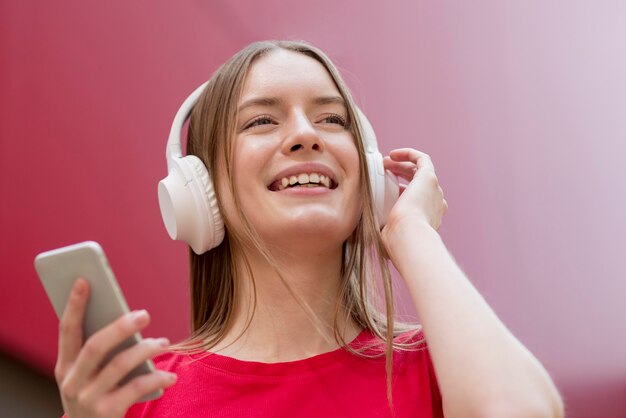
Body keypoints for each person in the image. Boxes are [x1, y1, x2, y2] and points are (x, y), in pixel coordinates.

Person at [54, 40, 564, 417]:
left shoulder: (442, 369)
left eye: (331, 120)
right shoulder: (139, 395)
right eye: (261, 121)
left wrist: (411, 232)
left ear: (369, 176)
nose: (304, 135)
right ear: (198, 189)